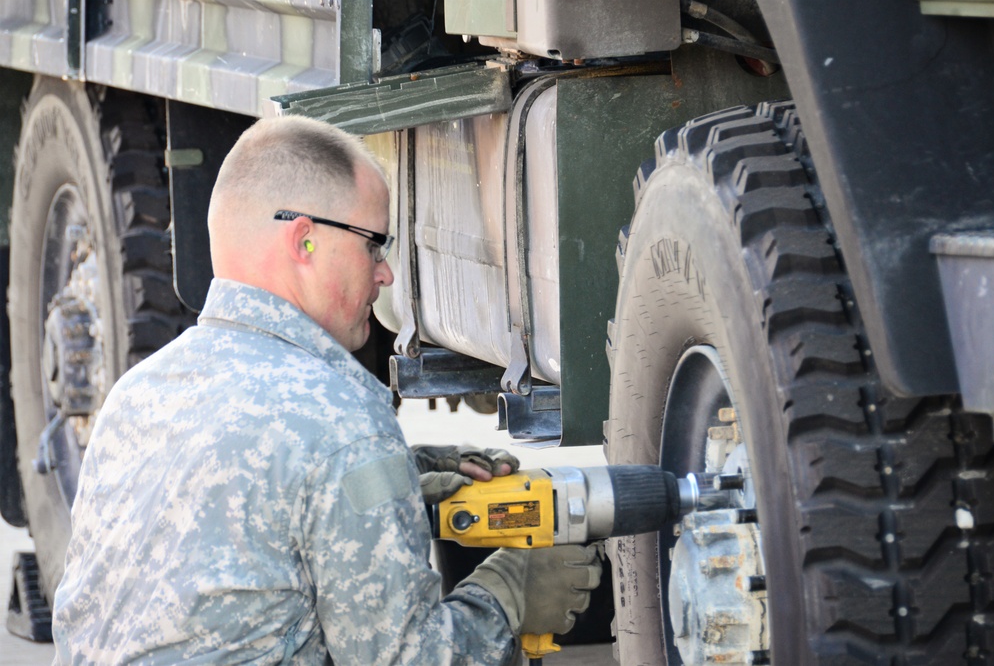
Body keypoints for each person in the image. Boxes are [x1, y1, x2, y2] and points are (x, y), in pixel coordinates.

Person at [51, 115, 602, 665]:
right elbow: (406, 658)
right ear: (305, 240)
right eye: (374, 245)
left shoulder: (137, 393)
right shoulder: (341, 418)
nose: (385, 275)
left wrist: (396, 475)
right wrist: (508, 596)